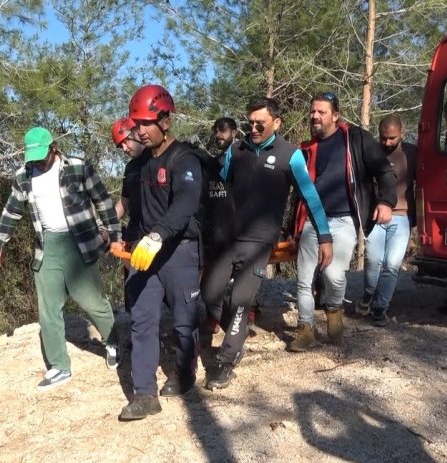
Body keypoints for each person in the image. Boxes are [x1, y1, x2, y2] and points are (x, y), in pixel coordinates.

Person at [201, 98, 332, 389]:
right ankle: (238, 332)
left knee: (239, 301)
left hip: (260, 242)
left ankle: (227, 359)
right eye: (250, 122)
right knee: (210, 295)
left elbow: (310, 197)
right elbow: (218, 188)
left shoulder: (291, 155)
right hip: (229, 238)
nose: (254, 128)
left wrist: (324, 236)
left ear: (277, 122)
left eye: (260, 122)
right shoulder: (237, 150)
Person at [0, 127, 121, 391]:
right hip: (47, 245)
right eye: (33, 156)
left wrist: (114, 236)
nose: (37, 161)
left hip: (80, 243)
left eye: (41, 155)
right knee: (48, 308)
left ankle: (113, 341)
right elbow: (11, 212)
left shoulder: (78, 167)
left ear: (53, 147)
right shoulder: (24, 176)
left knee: (92, 301)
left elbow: (104, 202)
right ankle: (59, 366)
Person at [119, 84, 203, 421]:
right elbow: (127, 205)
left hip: (179, 251)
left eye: (145, 123)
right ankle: (144, 394)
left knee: (184, 324)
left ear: (165, 121)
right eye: (136, 123)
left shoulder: (185, 159)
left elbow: (185, 203)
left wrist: (158, 234)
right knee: (142, 321)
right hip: (145, 253)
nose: (139, 130)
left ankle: (184, 373)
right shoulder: (137, 166)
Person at [289, 92, 397, 352]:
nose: (314, 116)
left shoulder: (356, 139)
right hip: (313, 220)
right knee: (304, 279)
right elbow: (298, 191)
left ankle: (334, 309)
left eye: (321, 112)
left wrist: (386, 201)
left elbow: (384, 170)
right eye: (312, 111)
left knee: (333, 274)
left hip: (344, 219)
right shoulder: (306, 148)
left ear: (335, 116)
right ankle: (305, 328)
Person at [357, 114, 418, 326]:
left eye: (392, 138)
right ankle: (368, 293)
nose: (387, 143)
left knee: (392, 265)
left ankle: (380, 308)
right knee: (373, 261)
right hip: (376, 216)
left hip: (402, 216)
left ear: (402, 132)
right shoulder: (371, 151)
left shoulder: (412, 153)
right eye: (383, 138)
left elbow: (421, 184)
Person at [201, 117, 238, 335]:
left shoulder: (242, 158)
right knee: (211, 279)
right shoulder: (214, 162)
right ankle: (214, 316)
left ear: (234, 132)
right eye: (216, 130)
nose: (218, 135)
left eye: (222, 130)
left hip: (236, 230)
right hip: (214, 230)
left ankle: (247, 312)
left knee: (240, 276)